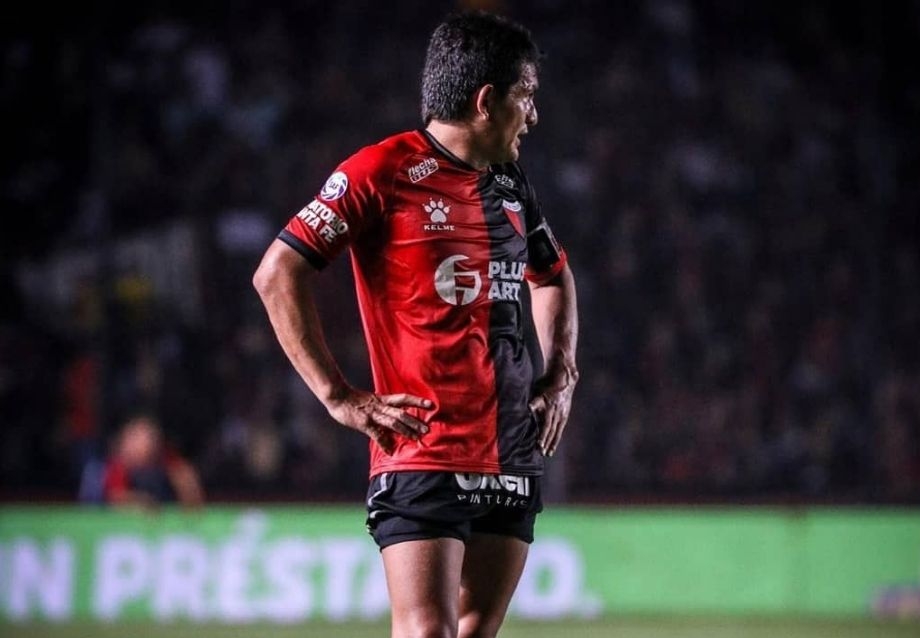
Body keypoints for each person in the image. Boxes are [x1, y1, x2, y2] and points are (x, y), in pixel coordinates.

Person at [253, 10, 578, 637]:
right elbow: (277, 273)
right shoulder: (380, 171)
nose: (533, 115)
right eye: (526, 95)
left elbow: (553, 275)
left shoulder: (511, 184)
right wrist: (337, 396)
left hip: (513, 446)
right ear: (486, 101)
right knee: (427, 631)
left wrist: (561, 374)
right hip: (422, 446)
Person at [99, 413, 204, 509]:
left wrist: (188, 492)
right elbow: (115, 498)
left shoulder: (166, 458)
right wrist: (141, 502)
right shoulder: (118, 465)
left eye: (149, 436)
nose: (144, 442)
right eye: (136, 437)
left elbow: (187, 480)